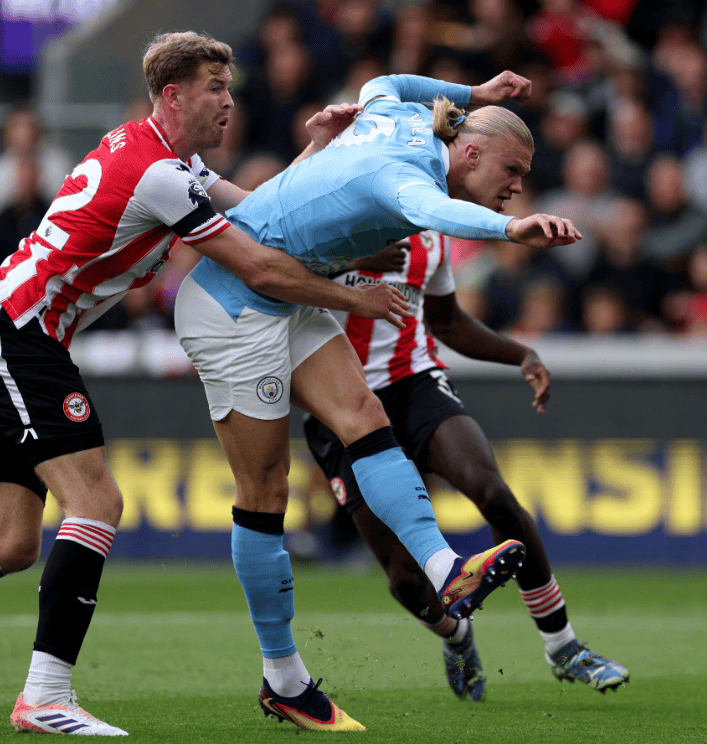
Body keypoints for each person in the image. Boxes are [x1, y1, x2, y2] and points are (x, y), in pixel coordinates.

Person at [0, 31, 410, 735]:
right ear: (173, 96)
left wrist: (317, 152)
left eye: (229, 88)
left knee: (9, 542)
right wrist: (355, 298)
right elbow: (257, 266)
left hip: (5, 330)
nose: (229, 102)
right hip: (17, 334)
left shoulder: (170, 161)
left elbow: (263, 215)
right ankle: (45, 696)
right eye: (214, 89)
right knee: (96, 502)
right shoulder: (160, 176)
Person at [175, 70, 582, 730]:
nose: (516, 187)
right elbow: (443, 213)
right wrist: (512, 230)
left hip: (287, 292)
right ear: (470, 153)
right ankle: (282, 676)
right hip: (231, 306)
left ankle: (445, 567)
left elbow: (383, 80)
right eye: (511, 171)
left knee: (364, 415)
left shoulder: (393, 117)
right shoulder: (407, 177)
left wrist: (476, 92)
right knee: (265, 493)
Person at [303, 231, 630, 702]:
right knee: (403, 574)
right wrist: (348, 254)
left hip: (413, 384)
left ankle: (564, 647)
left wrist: (521, 354)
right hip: (335, 403)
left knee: (492, 492)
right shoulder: (331, 217)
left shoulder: (431, 236)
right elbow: (275, 276)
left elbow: (447, 321)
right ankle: (456, 635)